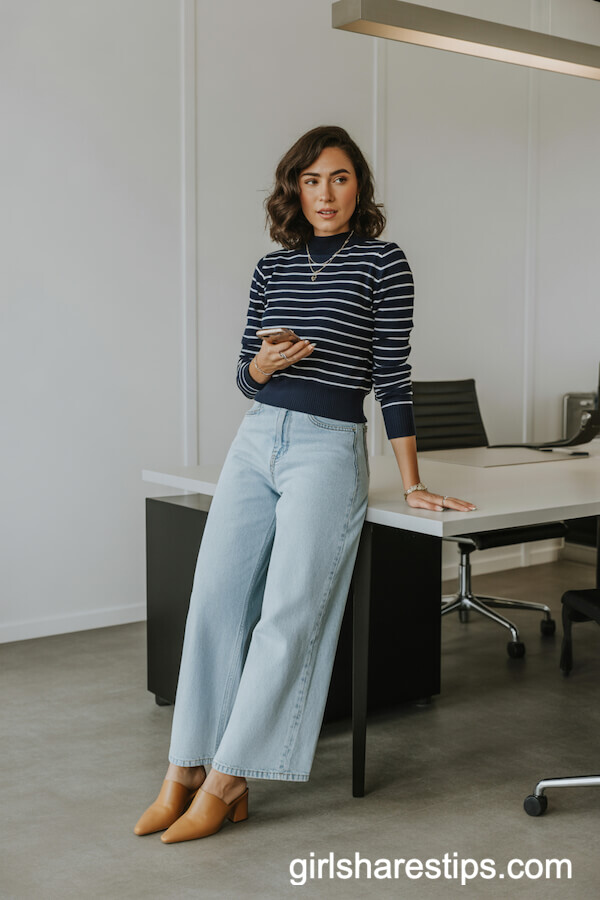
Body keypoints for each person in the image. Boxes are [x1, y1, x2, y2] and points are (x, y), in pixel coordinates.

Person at [134, 125, 476, 844]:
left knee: (289, 614)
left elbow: (393, 375)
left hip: (326, 450)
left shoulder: (383, 263)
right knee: (214, 605)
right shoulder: (272, 268)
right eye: (313, 179)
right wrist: (262, 369)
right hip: (258, 436)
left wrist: (411, 480)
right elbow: (243, 373)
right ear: (295, 188)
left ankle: (230, 780)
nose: (326, 193)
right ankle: (183, 769)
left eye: (341, 178)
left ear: (361, 187)